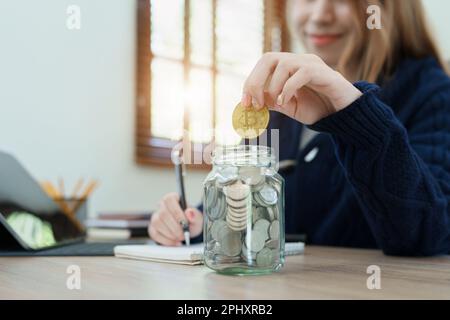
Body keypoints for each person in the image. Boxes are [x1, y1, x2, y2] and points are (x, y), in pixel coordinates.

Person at [148, 0, 450, 256]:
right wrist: (193, 223)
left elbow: (427, 234)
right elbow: (235, 207)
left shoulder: (432, 94)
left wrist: (353, 112)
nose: (319, 15)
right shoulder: (282, 103)